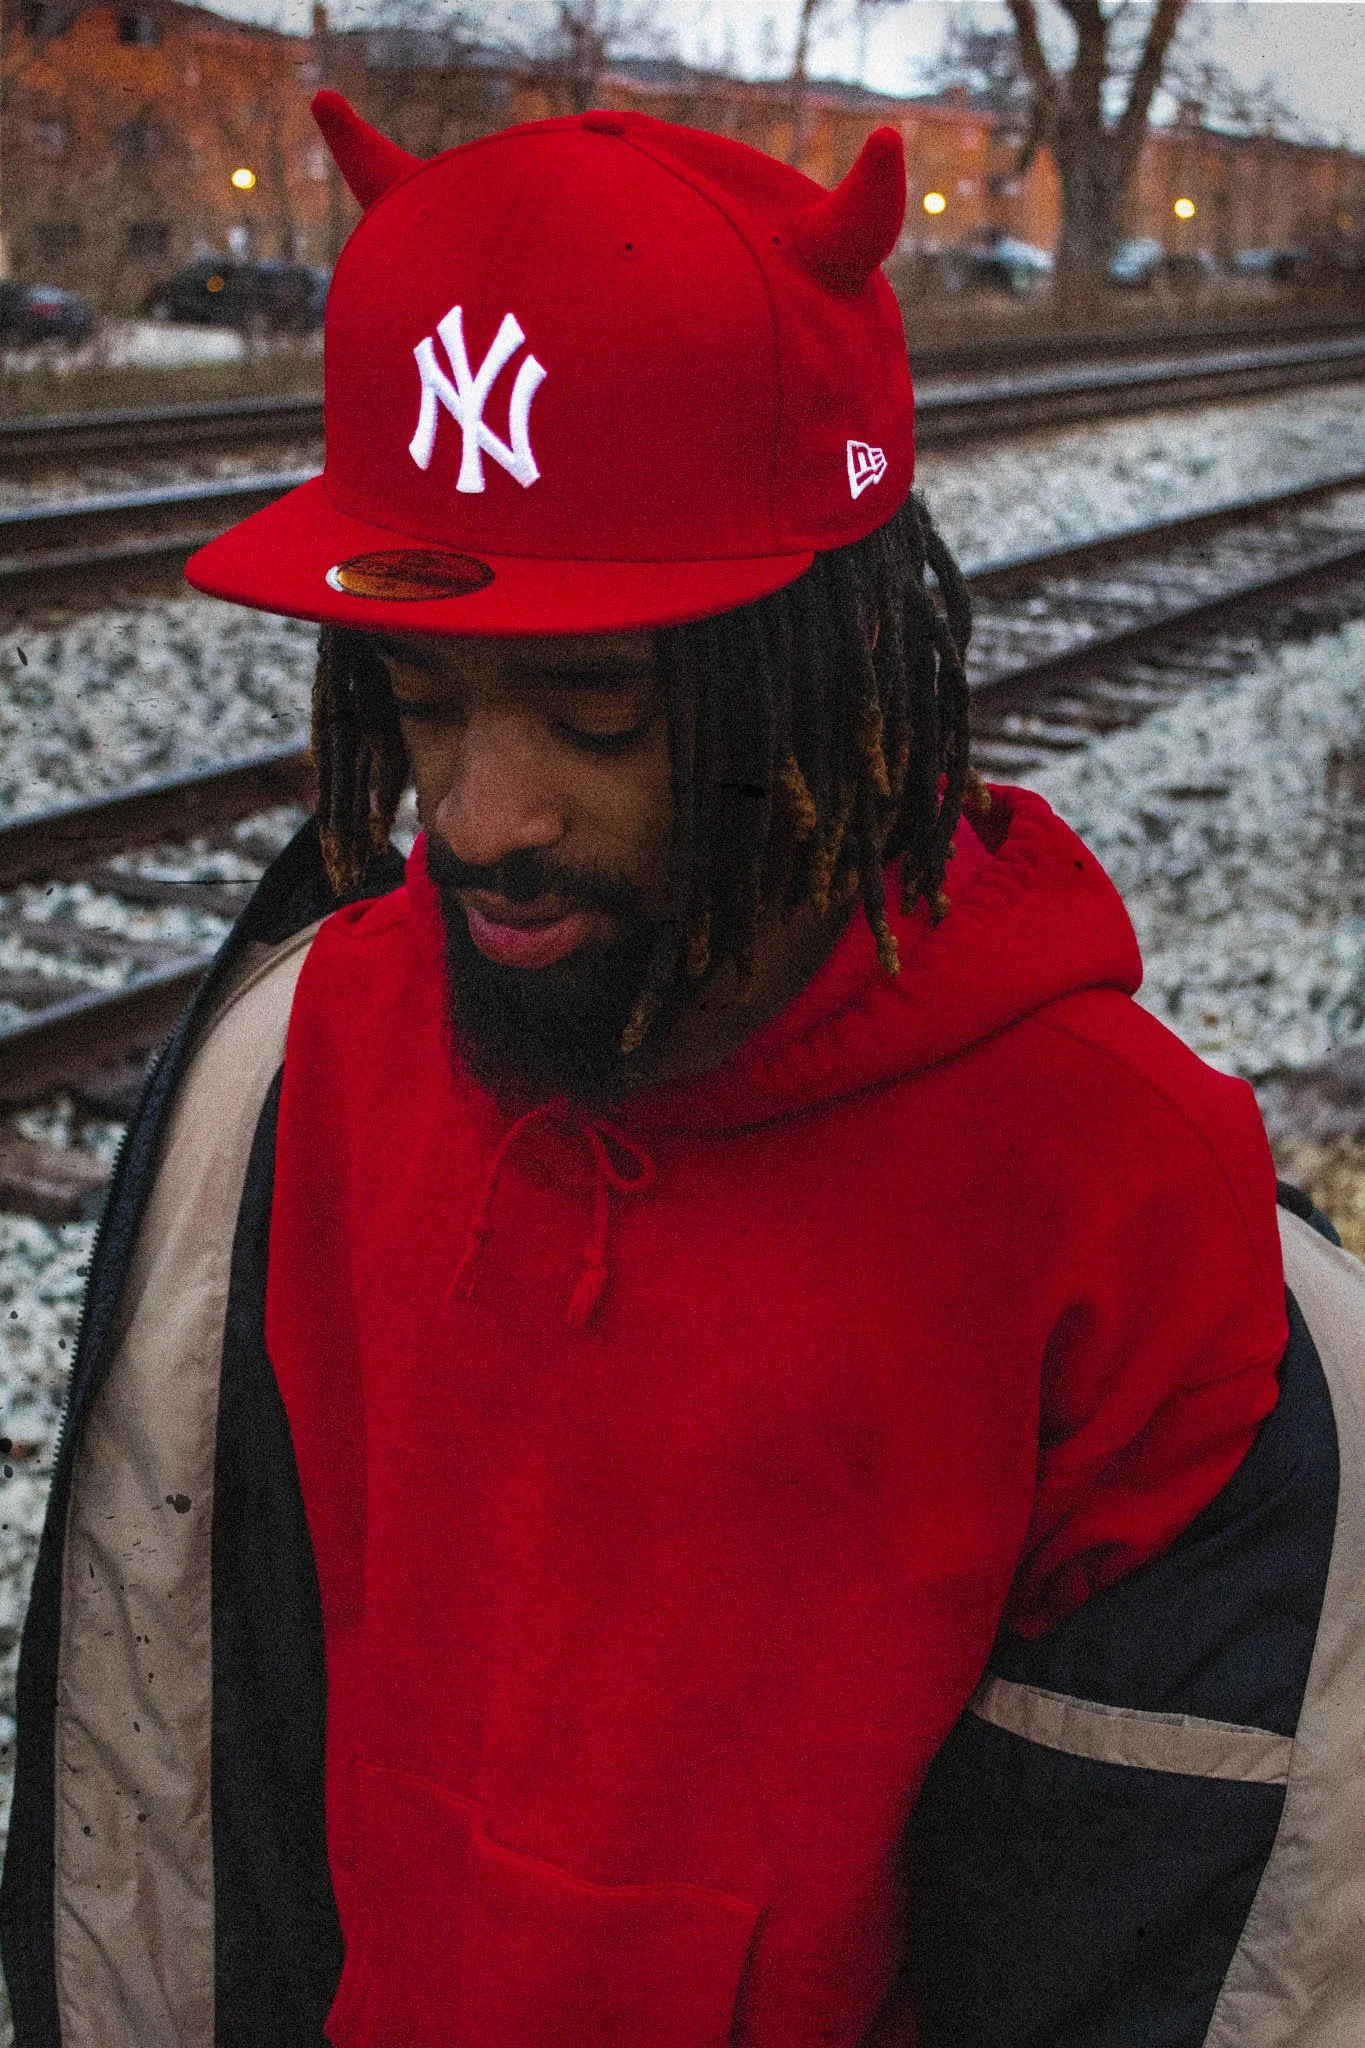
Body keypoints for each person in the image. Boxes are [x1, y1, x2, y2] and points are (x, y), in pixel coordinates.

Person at [3, 93, 1363, 2048]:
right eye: (421, 697)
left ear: (841, 669)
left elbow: (1155, 1948)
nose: (474, 816)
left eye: (594, 707)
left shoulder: (1121, 1208)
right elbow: (212, 1772)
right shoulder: (309, 1062)